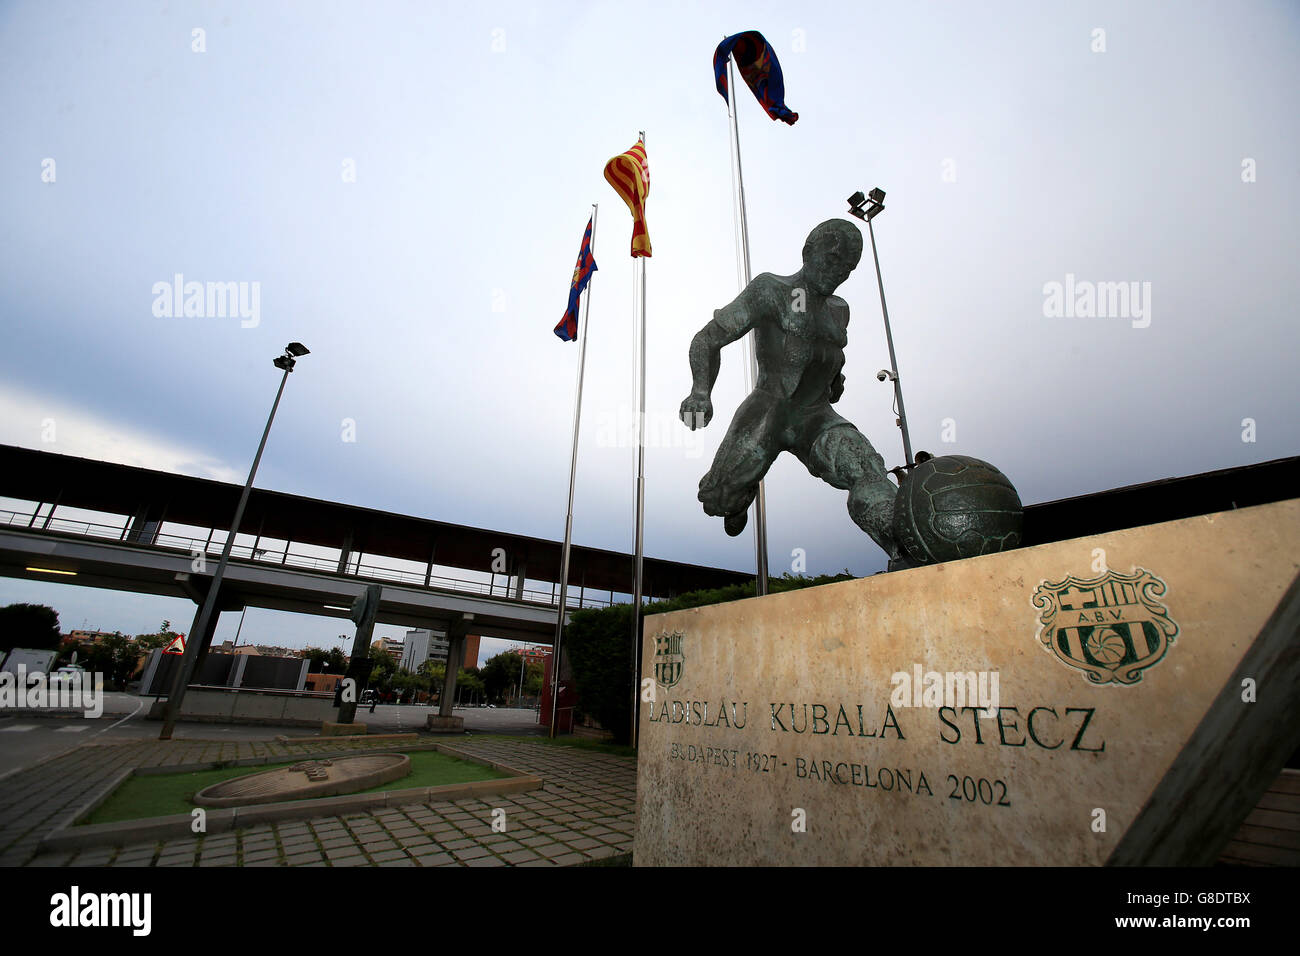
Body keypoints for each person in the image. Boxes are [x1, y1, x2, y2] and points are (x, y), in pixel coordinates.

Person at [679, 218, 904, 564]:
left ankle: (904, 549)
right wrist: (700, 391)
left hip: (816, 418)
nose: (839, 272)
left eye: (848, 266)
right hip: (769, 410)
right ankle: (738, 495)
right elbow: (707, 339)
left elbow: (829, 360)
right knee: (718, 500)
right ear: (808, 253)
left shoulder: (839, 310)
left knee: (866, 471)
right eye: (832, 260)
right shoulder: (770, 290)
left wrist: (834, 381)